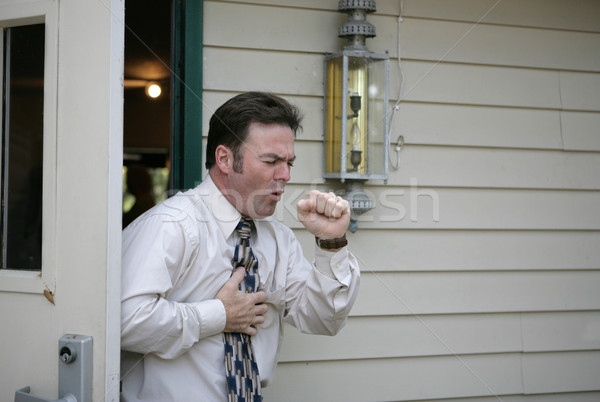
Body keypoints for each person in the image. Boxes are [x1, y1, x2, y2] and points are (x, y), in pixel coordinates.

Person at [120, 91, 360, 401]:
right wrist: (218, 315)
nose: (285, 175)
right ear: (224, 159)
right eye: (271, 161)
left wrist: (331, 244)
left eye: (289, 162)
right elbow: (124, 321)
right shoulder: (170, 226)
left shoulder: (279, 240)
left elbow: (324, 319)